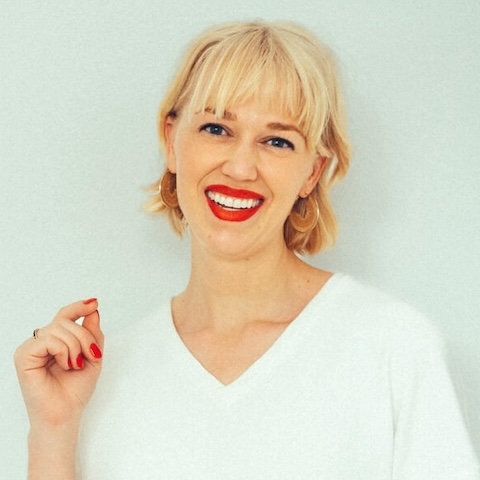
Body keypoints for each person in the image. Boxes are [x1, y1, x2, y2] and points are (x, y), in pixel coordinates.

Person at [14, 20, 479, 480]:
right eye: (216, 128)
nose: (240, 167)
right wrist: (53, 432)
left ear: (312, 172)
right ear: (171, 140)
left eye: (277, 141)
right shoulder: (99, 376)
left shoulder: (394, 348)